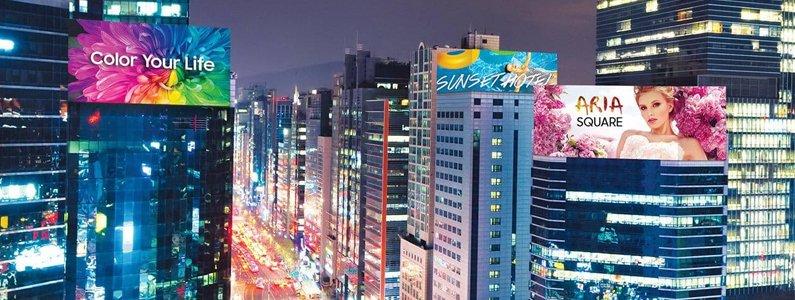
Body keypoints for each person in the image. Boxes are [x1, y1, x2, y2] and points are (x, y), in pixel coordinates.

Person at [616, 86, 707, 160]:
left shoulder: (689, 145)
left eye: (656, 105)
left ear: (670, 106)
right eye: (643, 108)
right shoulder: (628, 136)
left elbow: (708, 179)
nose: (649, 113)